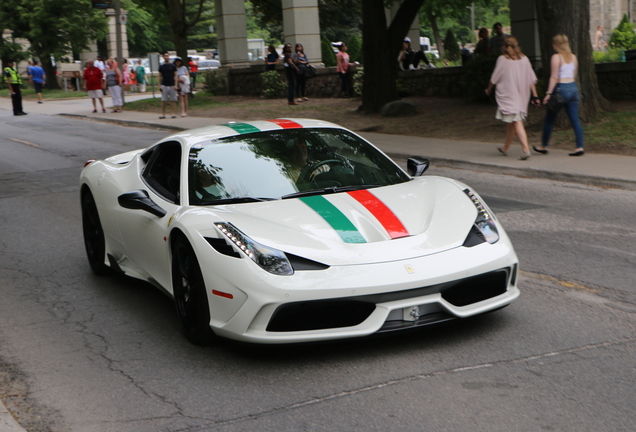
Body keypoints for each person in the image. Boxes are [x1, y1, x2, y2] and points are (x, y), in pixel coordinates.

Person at [485, 35, 540, 160]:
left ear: (504, 46)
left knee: (516, 121)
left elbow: (494, 78)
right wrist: (535, 95)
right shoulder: (524, 59)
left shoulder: (502, 59)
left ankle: (526, 149)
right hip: (521, 95)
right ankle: (506, 148)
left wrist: (488, 89)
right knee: (512, 121)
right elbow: (531, 79)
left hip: (509, 95)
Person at [534, 34, 585, 157]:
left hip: (561, 89)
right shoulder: (573, 58)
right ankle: (579, 146)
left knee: (550, 119)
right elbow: (574, 75)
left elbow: (554, 77)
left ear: (557, 45)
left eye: (554, 44)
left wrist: (548, 94)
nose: (553, 46)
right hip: (573, 89)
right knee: (575, 120)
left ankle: (544, 146)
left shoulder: (556, 57)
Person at [158, 52, 178, 118]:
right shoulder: (161, 66)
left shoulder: (173, 66)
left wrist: (176, 84)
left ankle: (173, 113)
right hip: (164, 85)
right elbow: (159, 76)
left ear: (169, 57)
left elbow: (176, 75)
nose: (166, 57)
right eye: (165, 56)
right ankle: (163, 114)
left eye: (167, 56)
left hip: (172, 84)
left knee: (172, 100)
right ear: (163, 57)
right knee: (164, 100)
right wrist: (159, 85)